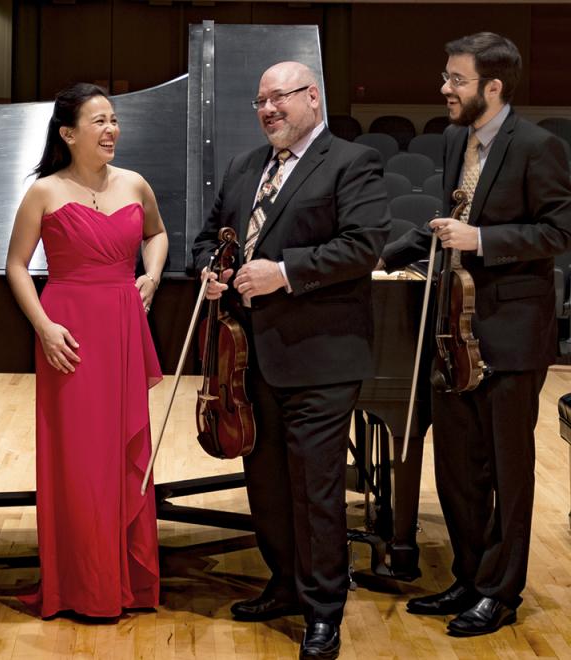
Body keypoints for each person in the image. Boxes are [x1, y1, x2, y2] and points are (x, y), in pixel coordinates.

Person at [192, 61, 389, 659]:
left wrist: (283, 272)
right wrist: (208, 271)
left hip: (320, 358)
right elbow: (208, 238)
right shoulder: (244, 166)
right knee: (267, 483)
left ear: (313, 97)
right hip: (247, 358)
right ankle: (283, 583)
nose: (268, 109)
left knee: (315, 488)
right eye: (259, 101)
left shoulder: (352, 162)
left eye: (278, 97)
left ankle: (324, 609)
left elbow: (362, 245)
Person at [379, 32, 571, 636]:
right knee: (458, 466)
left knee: (507, 470)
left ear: (494, 86)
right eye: (446, 77)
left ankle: (500, 592)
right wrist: (380, 254)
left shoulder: (538, 146)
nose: (445, 88)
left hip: (512, 331)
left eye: (456, 80)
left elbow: (559, 231)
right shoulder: (455, 138)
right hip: (452, 328)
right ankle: (468, 576)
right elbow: (452, 218)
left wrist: (483, 241)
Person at [6, 83, 168, 619]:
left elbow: (157, 234)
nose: (111, 129)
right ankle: (81, 585)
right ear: (68, 134)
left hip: (121, 326)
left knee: (121, 453)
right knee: (78, 460)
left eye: (113, 120)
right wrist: (44, 328)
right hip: (67, 333)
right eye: (98, 121)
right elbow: (16, 266)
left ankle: (124, 579)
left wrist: (151, 275)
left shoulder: (135, 183)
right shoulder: (44, 192)